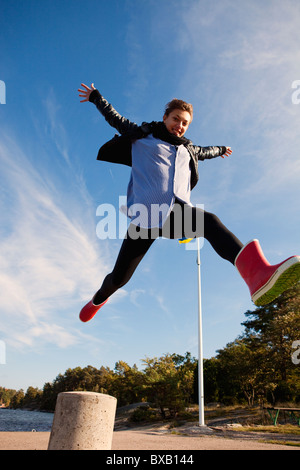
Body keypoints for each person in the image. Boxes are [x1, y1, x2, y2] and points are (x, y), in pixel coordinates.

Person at [77, 83, 300, 322]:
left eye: (185, 123)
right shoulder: (142, 137)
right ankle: (99, 298)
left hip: (177, 215)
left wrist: (221, 149)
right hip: (146, 216)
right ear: (165, 118)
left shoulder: (188, 150)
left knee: (209, 221)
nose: (180, 125)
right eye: (176, 119)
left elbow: (204, 151)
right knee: (120, 278)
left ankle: (257, 275)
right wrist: (96, 97)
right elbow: (115, 118)